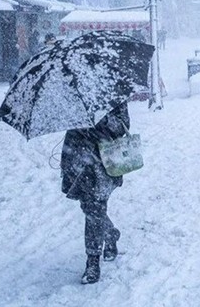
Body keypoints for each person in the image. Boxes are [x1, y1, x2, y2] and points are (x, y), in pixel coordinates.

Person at [61, 102, 130, 284]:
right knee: (89, 207)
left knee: (95, 210)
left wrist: (99, 120)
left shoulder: (111, 93)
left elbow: (122, 125)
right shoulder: (72, 94)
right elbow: (66, 124)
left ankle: (92, 261)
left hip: (103, 163)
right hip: (78, 161)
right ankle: (110, 234)